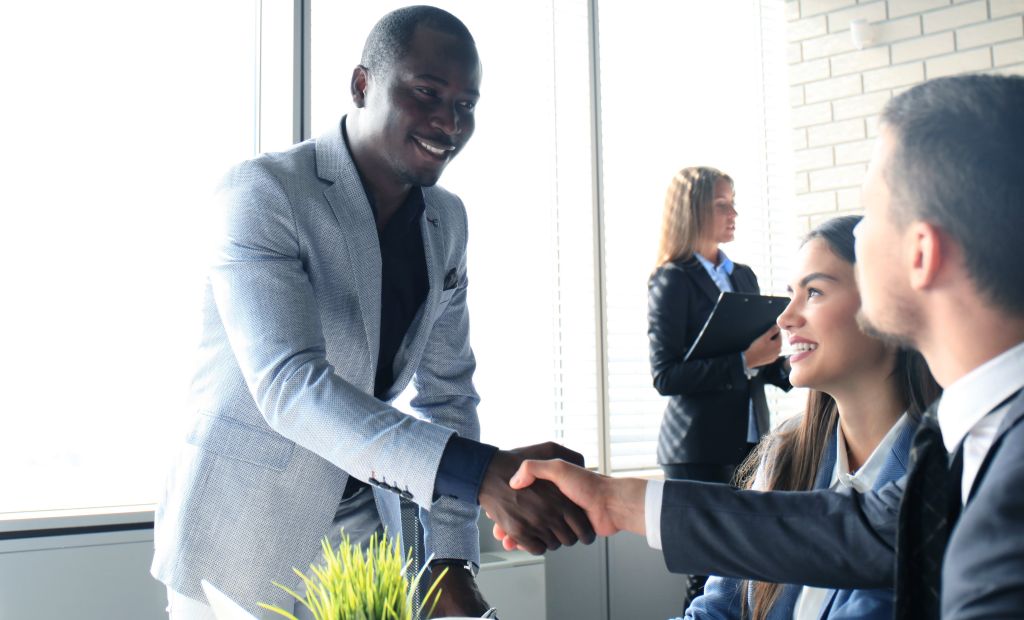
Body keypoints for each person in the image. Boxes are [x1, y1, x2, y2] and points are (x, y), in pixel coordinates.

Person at [499, 74, 1024, 618]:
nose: (788, 315)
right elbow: (851, 532)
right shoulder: (954, 443)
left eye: (874, 213)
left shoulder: (985, 458)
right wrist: (610, 498)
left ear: (922, 253)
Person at [152, 6, 593, 619]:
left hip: (365, 535)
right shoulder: (262, 193)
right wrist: (482, 472)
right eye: (427, 92)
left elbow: (449, 395)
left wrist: (448, 562)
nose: (450, 120)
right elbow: (288, 386)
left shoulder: (447, 221)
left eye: (467, 103)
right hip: (241, 534)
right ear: (362, 86)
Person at [684, 215, 940, 620]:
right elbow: (716, 612)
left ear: (888, 308)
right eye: (790, 294)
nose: (785, 318)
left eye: (814, 292)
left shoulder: (944, 475)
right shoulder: (783, 458)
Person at [648, 167, 790, 601]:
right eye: (722, 204)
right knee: (707, 577)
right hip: (697, 450)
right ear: (693, 211)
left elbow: (759, 361)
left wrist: (793, 362)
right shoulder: (671, 279)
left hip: (749, 445)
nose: (734, 212)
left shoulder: (742, 275)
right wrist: (745, 360)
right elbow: (666, 375)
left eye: (733, 201)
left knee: (746, 570)